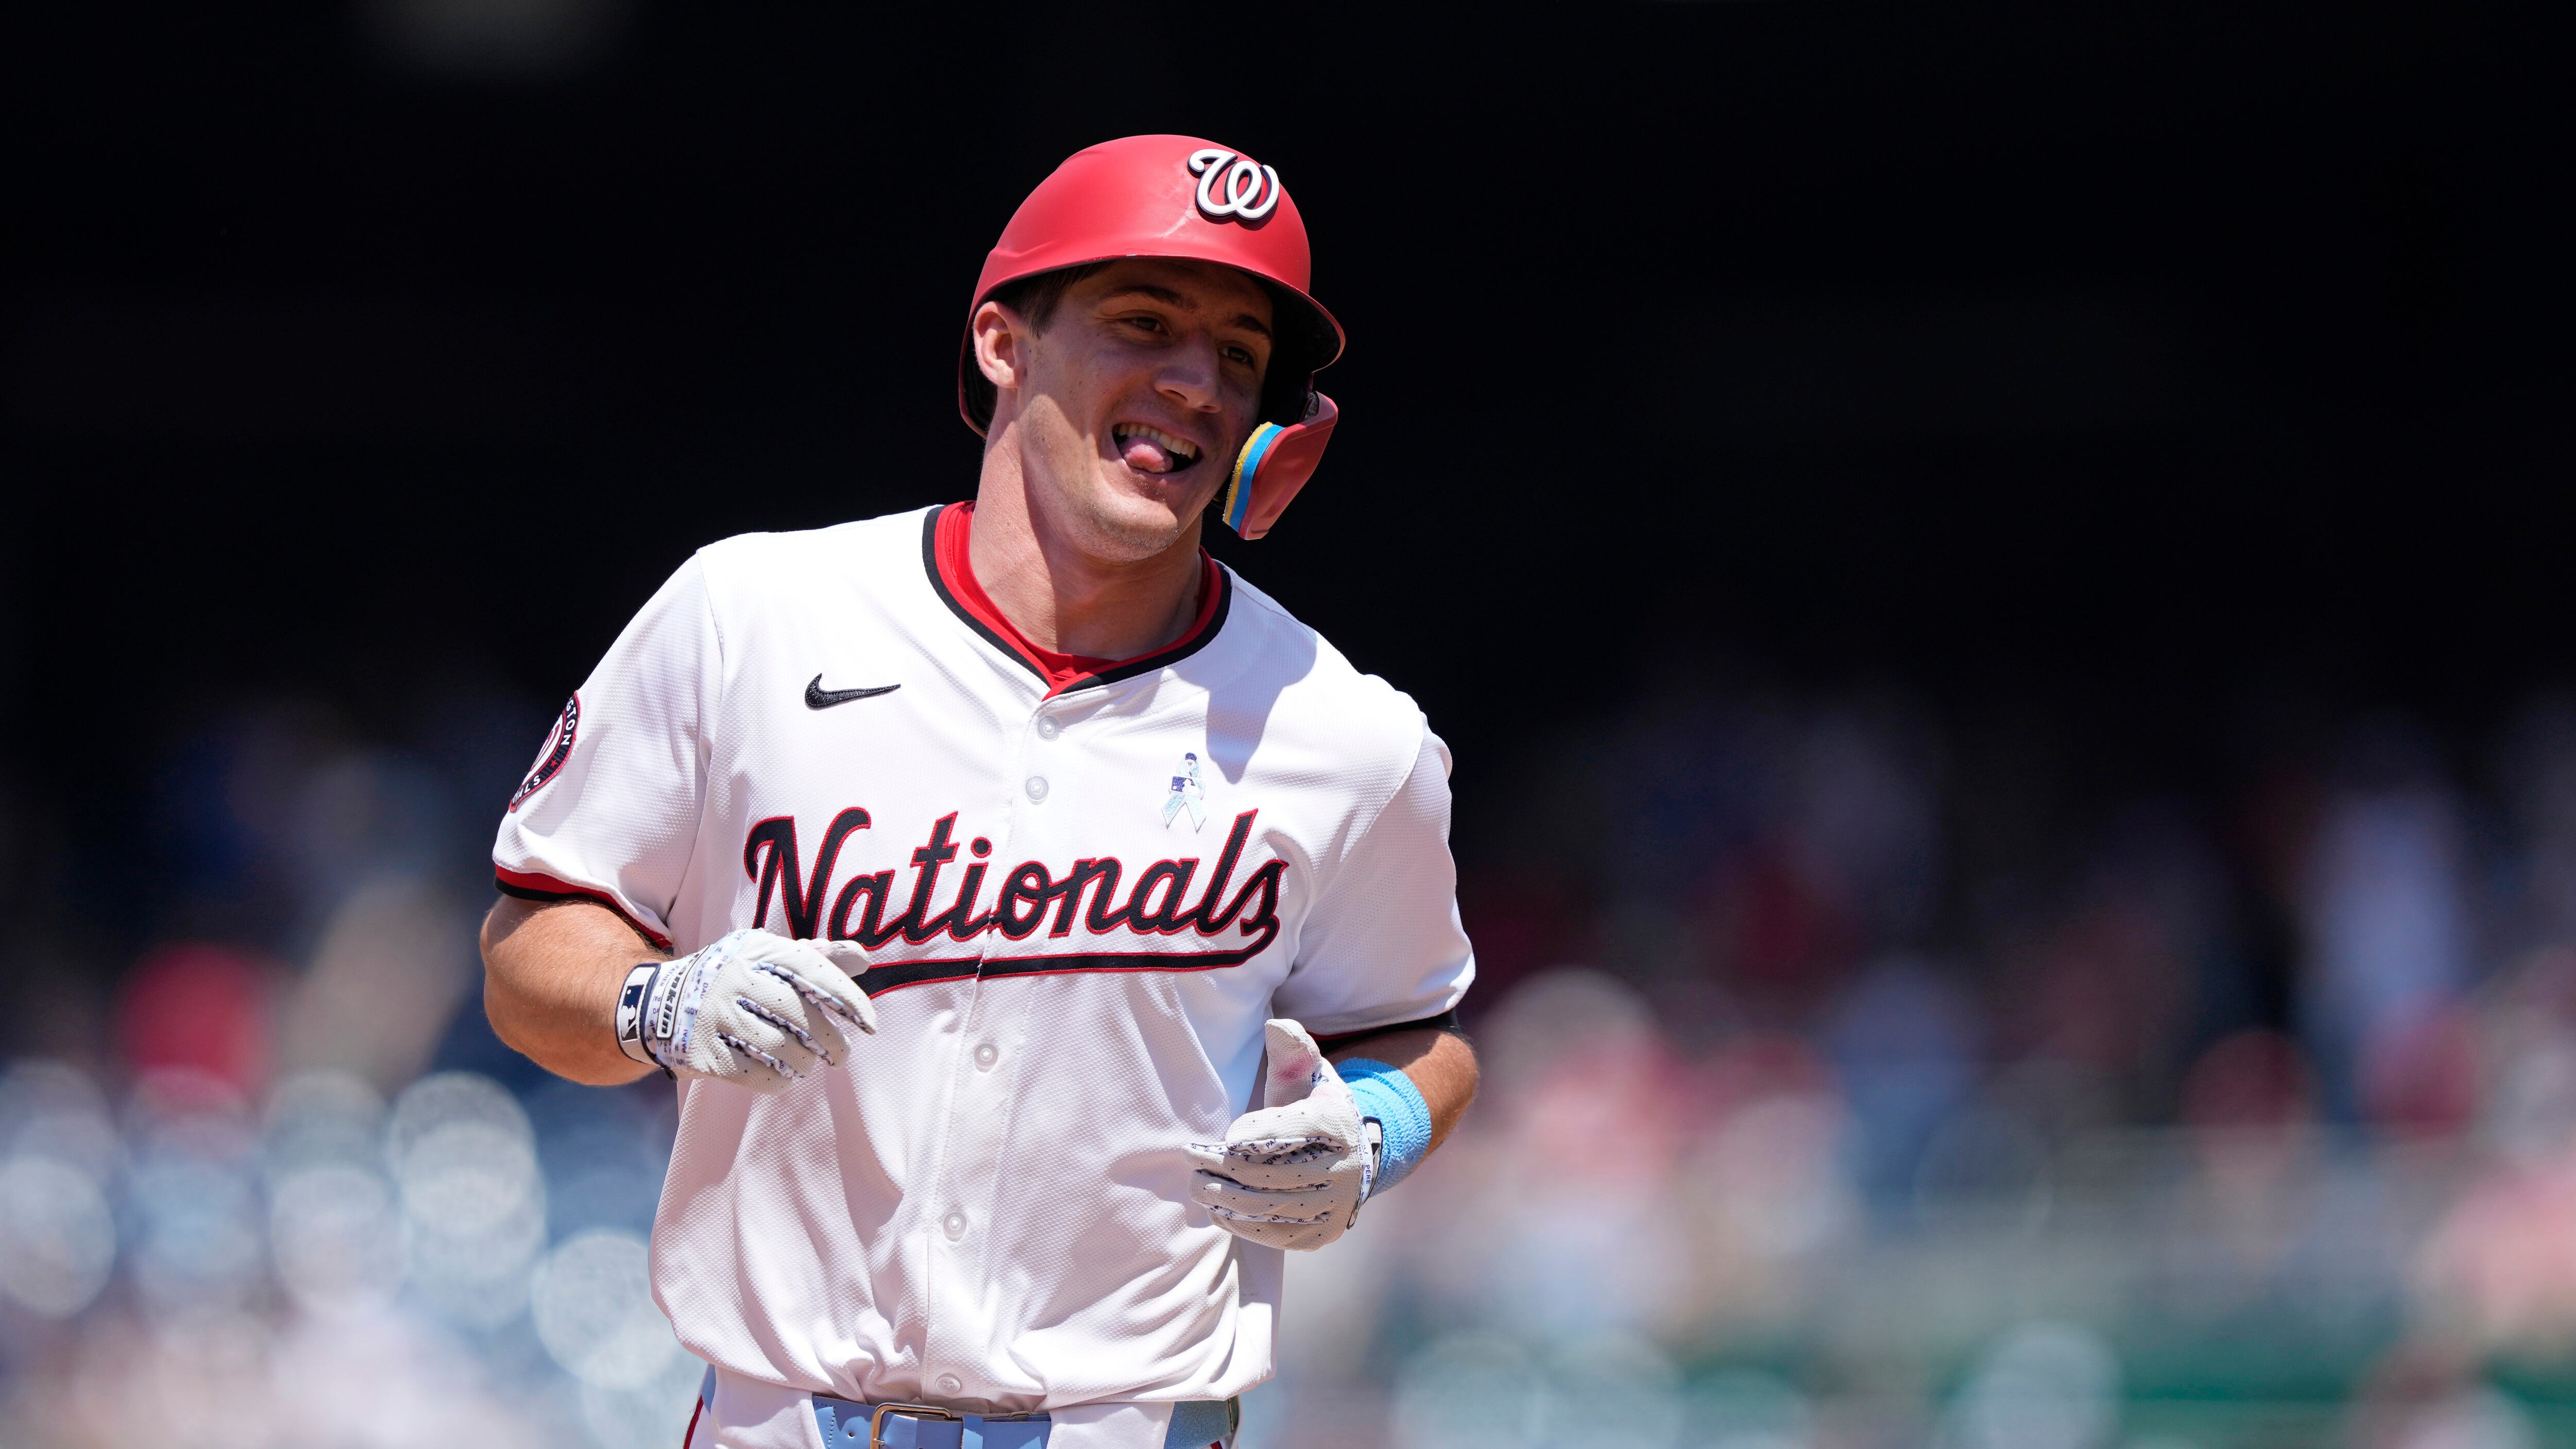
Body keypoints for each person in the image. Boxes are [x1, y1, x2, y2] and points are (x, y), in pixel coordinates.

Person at [479, 134, 1479, 1449]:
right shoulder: (751, 617)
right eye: (1144, 321)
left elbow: (1421, 1030)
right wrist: (655, 998)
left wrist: (1372, 1130)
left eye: (1239, 355)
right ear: (1003, 341)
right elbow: (523, 955)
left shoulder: (1347, 733)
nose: (1193, 379)